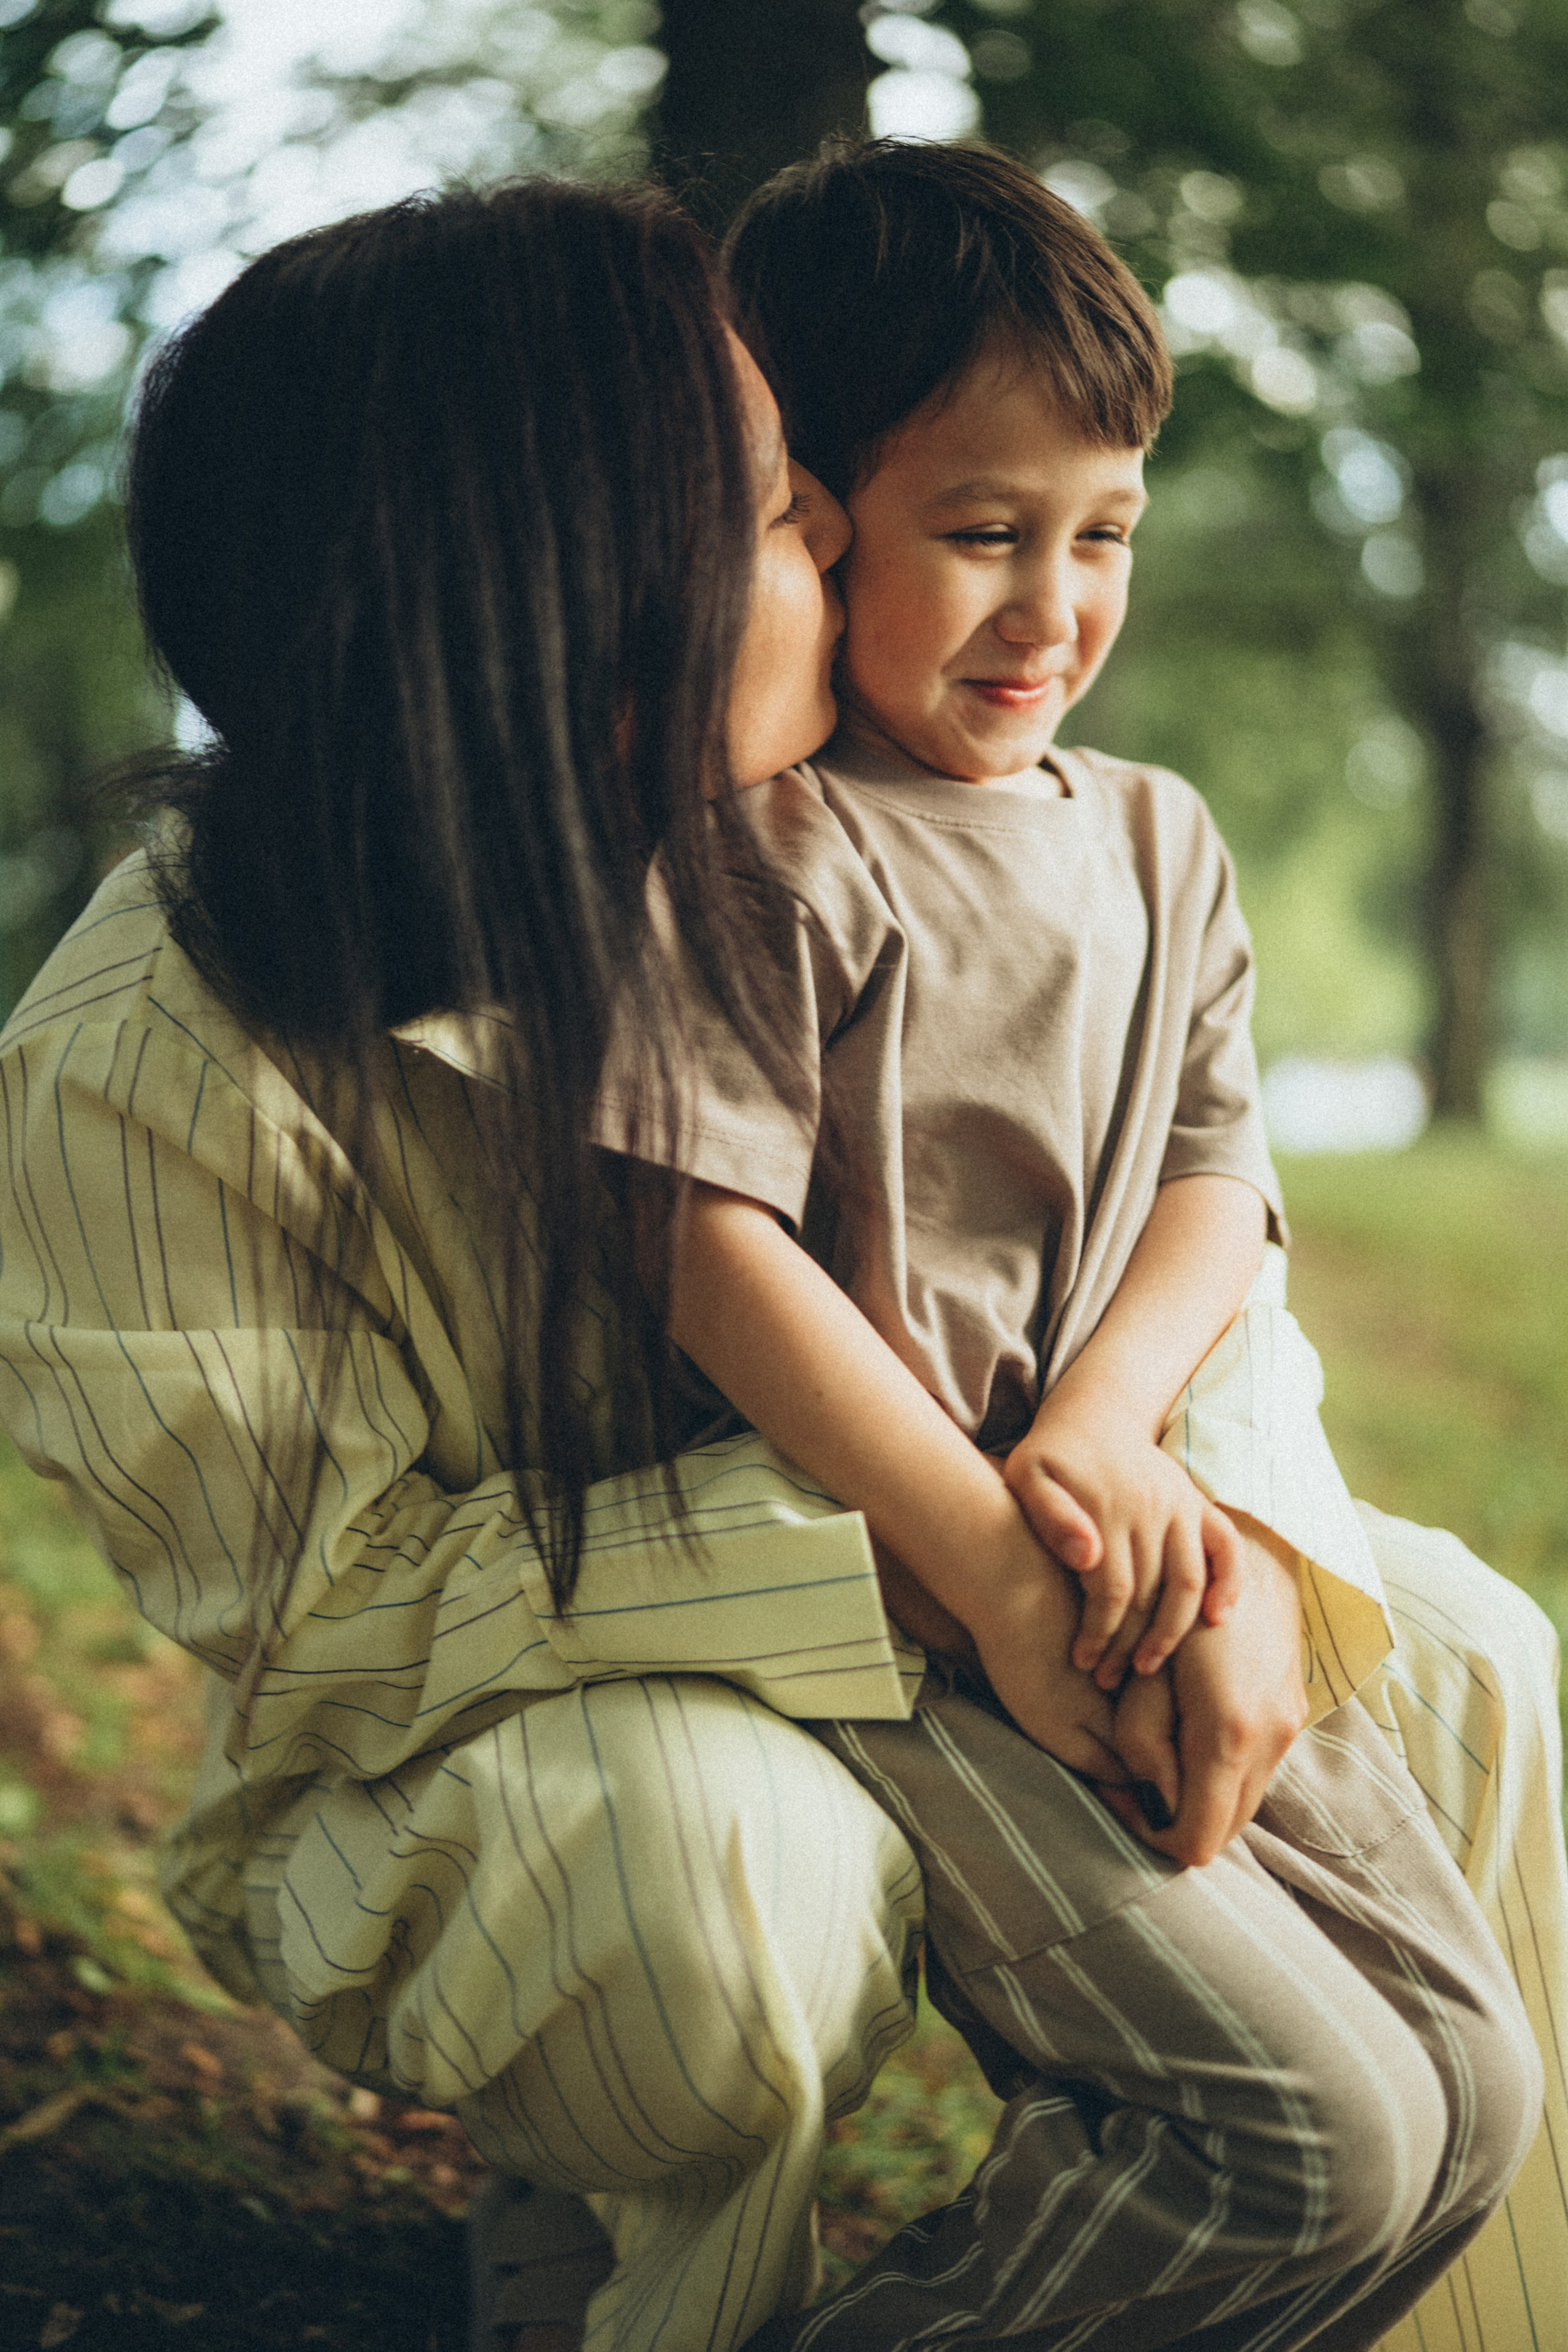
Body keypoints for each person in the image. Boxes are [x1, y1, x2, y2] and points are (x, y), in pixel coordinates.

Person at [0, 172, 1548, 2352]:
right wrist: (950, 1563)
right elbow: (337, 1615)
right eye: (774, 510)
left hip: (957, 1550)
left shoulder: (833, 826)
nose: (835, 537)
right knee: (708, 1870)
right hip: (502, 1745)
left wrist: (1200, 1527)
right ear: (568, 606)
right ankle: (616, 2242)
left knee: (1461, 1650)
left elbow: (1178, 1199)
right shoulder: (147, 1058)